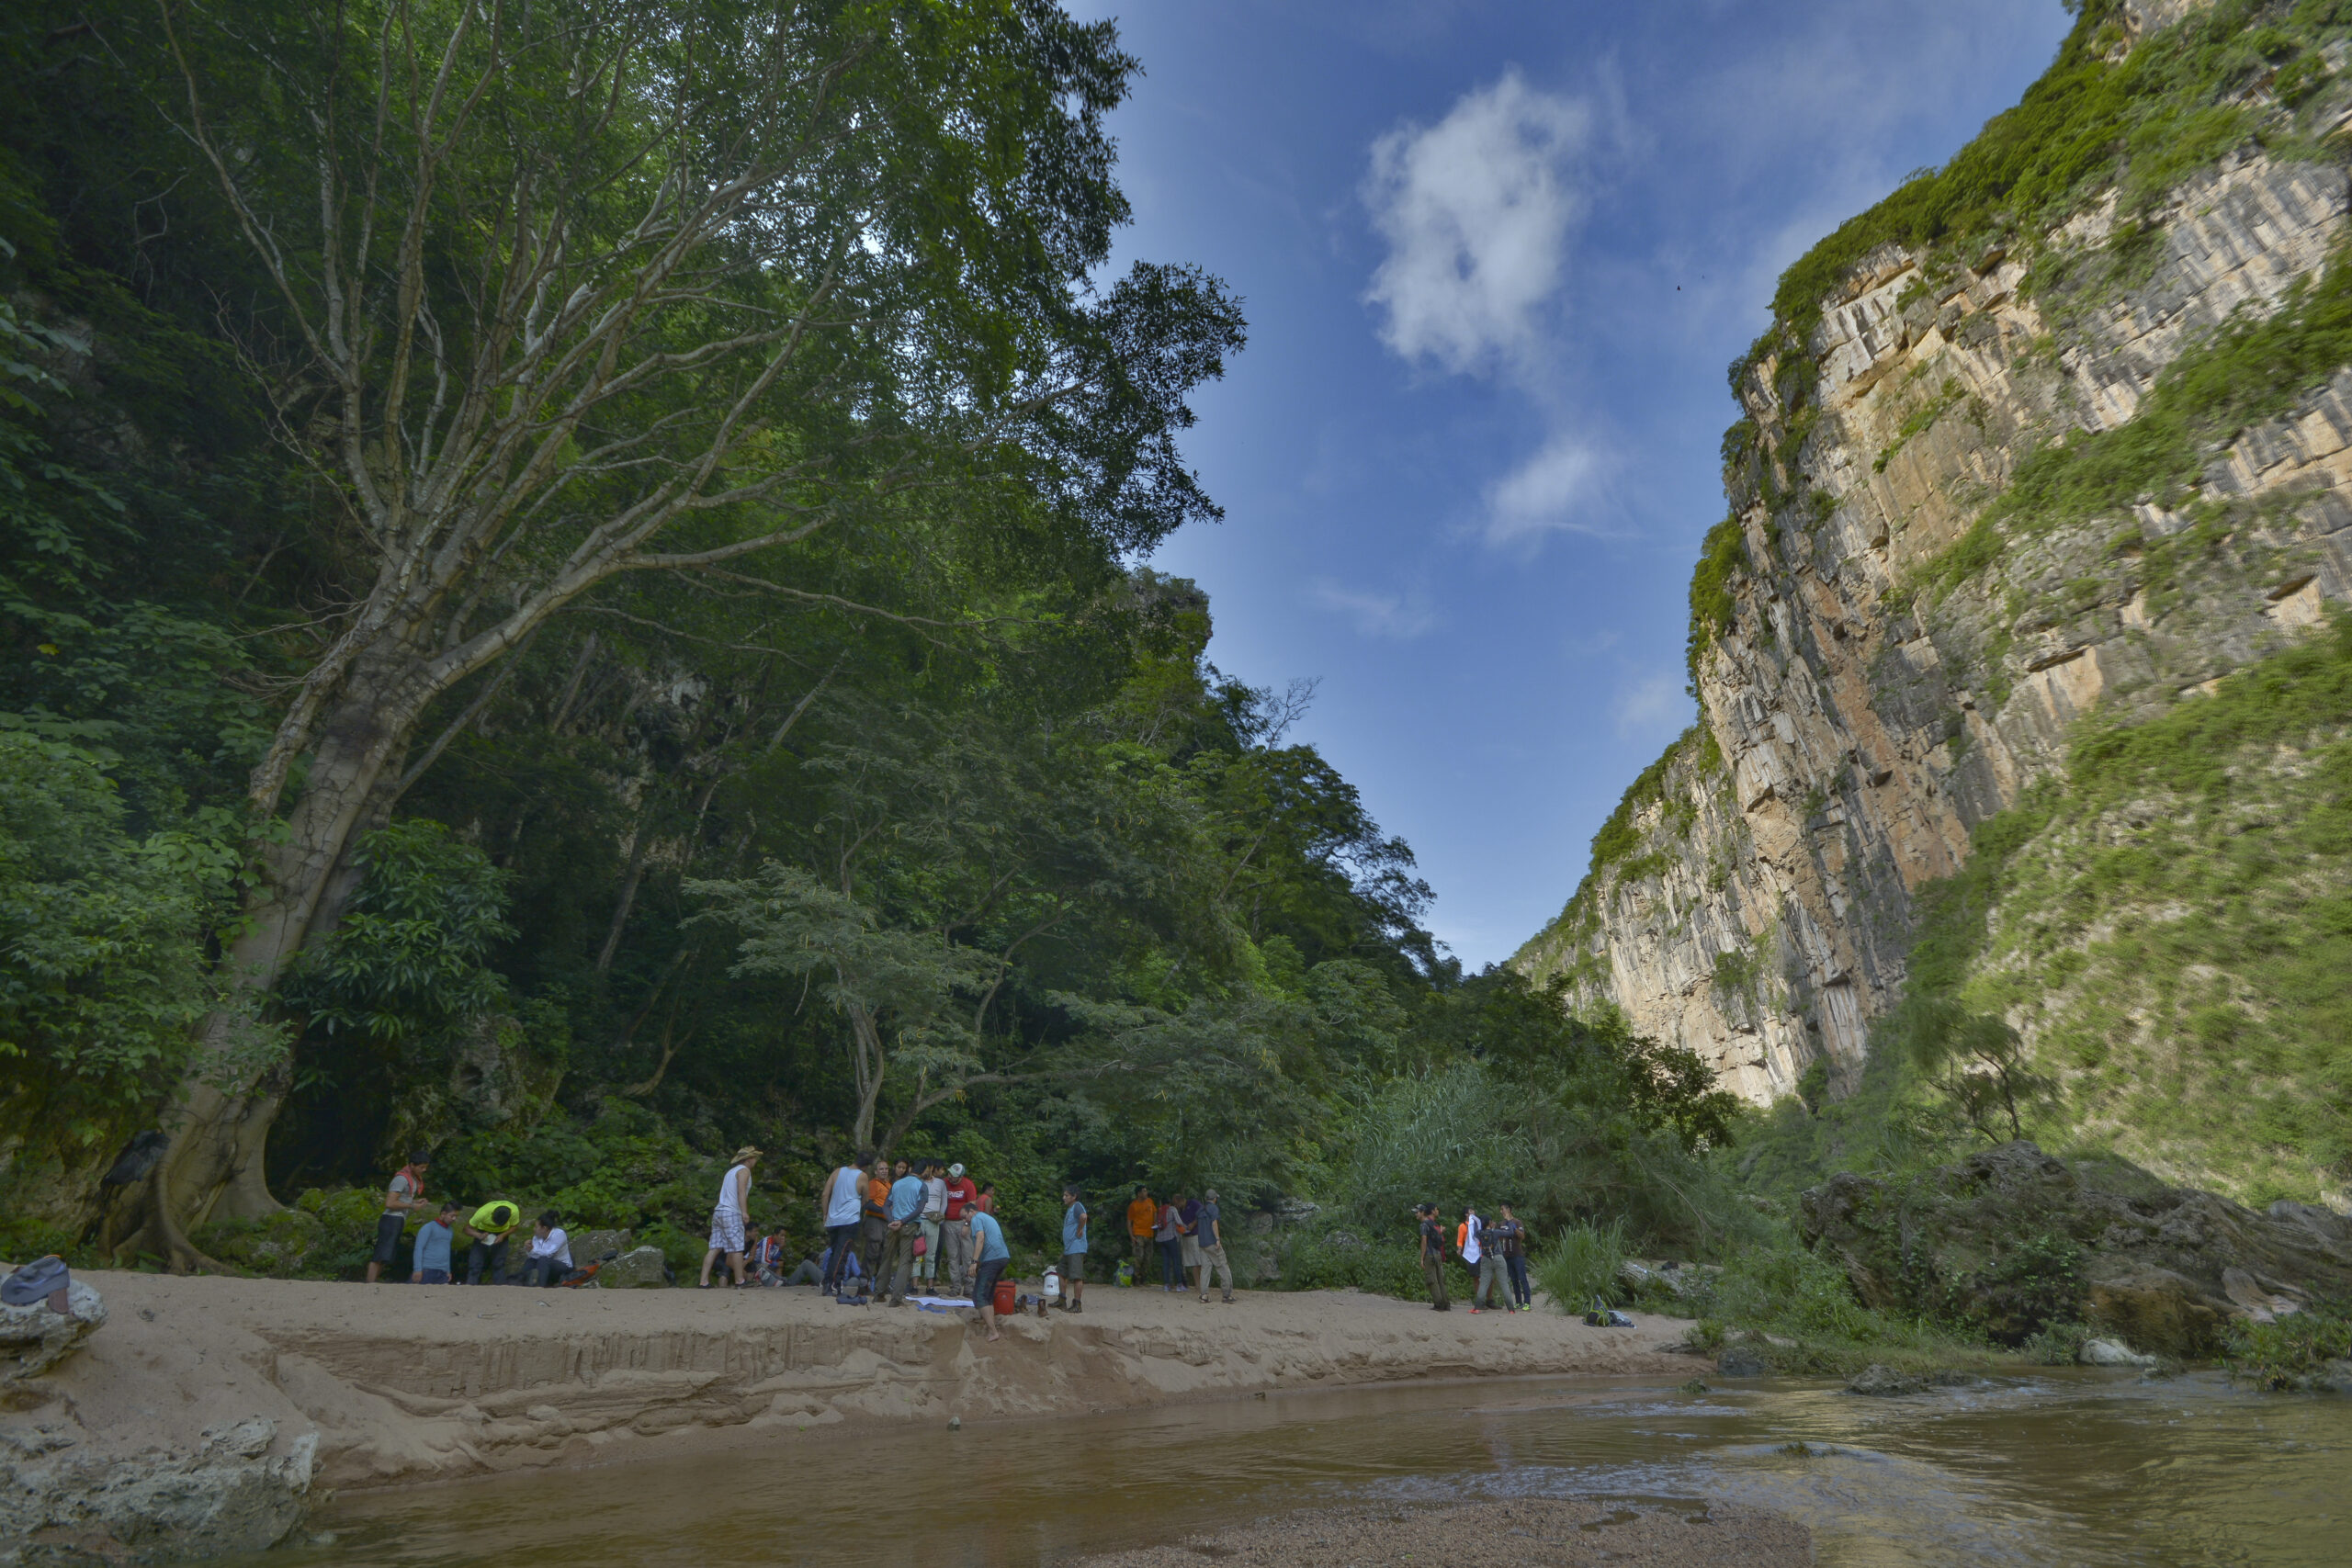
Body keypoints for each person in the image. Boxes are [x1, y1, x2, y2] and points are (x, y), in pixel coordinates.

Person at [700, 1145, 761, 1288]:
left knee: (714, 1247)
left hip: (719, 1211)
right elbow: (741, 1191)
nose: (756, 1161)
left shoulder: (730, 1172)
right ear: (749, 1159)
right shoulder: (744, 1171)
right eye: (755, 1158)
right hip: (732, 1212)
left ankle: (703, 1281)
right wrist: (744, 1212)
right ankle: (740, 1280)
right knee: (737, 1247)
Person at [367, 1150, 431, 1284]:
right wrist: (412, 1206)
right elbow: (390, 1203)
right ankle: (370, 1283)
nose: (424, 1170)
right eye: (421, 1167)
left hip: (399, 1218)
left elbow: (403, 1200)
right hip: (391, 1219)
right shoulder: (401, 1179)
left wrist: (414, 1202)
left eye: (426, 1167)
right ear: (412, 1165)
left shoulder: (412, 1178)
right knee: (380, 1254)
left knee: (386, 1255)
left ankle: (373, 1282)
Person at [875, 1157, 927, 1305]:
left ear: (911, 1170)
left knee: (887, 1259)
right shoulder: (922, 1186)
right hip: (909, 1226)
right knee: (905, 1262)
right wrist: (903, 1221)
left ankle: (879, 1293)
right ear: (923, 1172)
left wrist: (892, 1220)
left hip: (892, 1226)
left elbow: (886, 1206)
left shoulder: (897, 1183)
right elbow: (920, 1209)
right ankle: (896, 1298)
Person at [820, 1150, 871, 1294]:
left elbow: (825, 1194)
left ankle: (827, 1281)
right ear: (866, 1166)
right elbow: (866, 1198)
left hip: (833, 1219)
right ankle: (834, 1284)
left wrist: (825, 1214)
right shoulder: (862, 1176)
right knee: (842, 1253)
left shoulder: (837, 1172)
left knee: (834, 1250)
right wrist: (857, 1208)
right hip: (849, 1220)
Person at [967, 1202, 1012, 1343]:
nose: (965, 1221)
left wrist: (974, 1262)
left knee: (979, 1295)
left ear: (971, 1211)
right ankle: (989, 1326)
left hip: (993, 1259)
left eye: (965, 1216)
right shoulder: (988, 1217)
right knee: (988, 1295)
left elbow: (980, 1237)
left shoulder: (976, 1218)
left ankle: (993, 1331)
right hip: (1002, 1257)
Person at [464, 1198, 523, 1285]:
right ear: (492, 1215)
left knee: (499, 1263)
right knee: (475, 1262)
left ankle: (499, 1288)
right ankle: (471, 1285)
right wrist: (479, 1235)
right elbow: (466, 1229)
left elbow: (514, 1226)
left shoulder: (514, 1211)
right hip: (482, 1232)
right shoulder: (482, 1212)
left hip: (502, 1233)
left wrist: (503, 1235)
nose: (496, 1225)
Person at [940, 1162, 978, 1296]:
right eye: (949, 1173)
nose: (950, 1177)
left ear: (960, 1176)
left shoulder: (968, 1185)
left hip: (963, 1222)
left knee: (967, 1256)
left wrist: (967, 1225)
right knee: (952, 1256)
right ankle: (955, 1286)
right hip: (948, 1222)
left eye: (954, 1176)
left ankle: (970, 1286)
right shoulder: (944, 1183)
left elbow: (972, 1208)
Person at [1195, 1189, 1237, 1304]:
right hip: (1212, 1243)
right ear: (1214, 1198)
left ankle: (1204, 1295)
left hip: (1202, 1244)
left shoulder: (1200, 1210)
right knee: (1222, 1266)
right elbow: (1214, 1223)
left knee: (1205, 1269)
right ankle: (1226, 1295)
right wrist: (1217, 1239)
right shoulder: (1214, 1208)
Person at [914, 1159, 948, 1292]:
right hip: (919, 1219)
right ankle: (914, 1285)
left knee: (931, 1254)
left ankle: (930, 1285)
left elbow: (944, 1202)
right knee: (917, 1253)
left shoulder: (940, 1183)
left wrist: (940, 1216)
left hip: (934, 1221)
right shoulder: (918, 1182)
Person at [1472, 1207, 1513, 1314]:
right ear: (1490, 1222)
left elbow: (1475, 1231)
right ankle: (1511, 1309)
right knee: (1503, 1283)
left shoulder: (1478, 1233)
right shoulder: (1496, 1232)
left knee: (1484, 1283)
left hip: (1485, 1259)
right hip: (1498, 1258)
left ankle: (1477, 1307)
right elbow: (1510, 1233)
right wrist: (1509, 1221)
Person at [1492, 1203, 1532, 1312]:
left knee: (1522, 1279)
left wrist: (1514, 1229)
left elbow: (1522, 1236)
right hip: (1507, 1256)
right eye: (1500, 1210)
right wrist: (1494, 1229)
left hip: (1518, 1255)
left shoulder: (1517, 1222)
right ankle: (1518, 1302)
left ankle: (1527, 1302)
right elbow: (1498, 1238)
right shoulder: (1501, 1223)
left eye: (1502, 1209)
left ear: (1508, 1210)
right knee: (1514, 1280)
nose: (1501, 1211)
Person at [861, 1159, 892, 1288]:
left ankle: (880, 1286)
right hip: (874, 1220)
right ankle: (864, 1285)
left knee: (884, 1254)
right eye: (881, 1169)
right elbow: (867, 1203)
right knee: (872, 1252)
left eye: (886, 1169)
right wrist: (883, 1210)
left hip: (886, 1221)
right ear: (875, 1171)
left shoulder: (889, 1185)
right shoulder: (873, 1184)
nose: (884, 1171)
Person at [1058, 1185, 1088, 1314]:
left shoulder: (1077, 1206)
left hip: (1076, 1247)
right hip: (1069, 1248)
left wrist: (1080, 1229)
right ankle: (1061, 1300)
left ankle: (1077, 1304)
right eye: (1064, 1195)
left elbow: (1084, 1217)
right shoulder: (1070, 1209)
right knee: (1060, 1271)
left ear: (1074, 1196)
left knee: (1076, 1276)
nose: (1063, 1197)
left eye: (1066, 1195)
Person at [411, 1201, 458, 1284]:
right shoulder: (428, 1227)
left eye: (455, 1216)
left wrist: (448, 1270)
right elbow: (418, 1248)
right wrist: (417, 1269)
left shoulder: (450, 1230)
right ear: (443, 1214)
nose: (454, 1219)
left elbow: (447, 1250)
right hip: (427, 1269)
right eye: (452, 1216)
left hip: (443, 1272)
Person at [523, 1210, 572, 1287]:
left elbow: (549, 1254)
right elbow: (534, 1255)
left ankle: (540, 1286)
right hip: (544, 1266)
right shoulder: (536, 1237)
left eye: (536, 1227)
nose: (534, 1229)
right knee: (530, 1261)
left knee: (543, 1260)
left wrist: (532, 1249)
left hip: (562, 1267)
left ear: (544, 1228)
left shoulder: (559, 1234)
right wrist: (528, 1249)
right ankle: (521, 1282)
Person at [1417, 1203, 1451, 1311]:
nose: (1416, 1215)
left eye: (1417, 1212)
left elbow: (1424, 1241)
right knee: (1441, 1280)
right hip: (1438, 1254)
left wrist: (1422, 1258)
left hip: (1430, 1255)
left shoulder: (1424, 1225)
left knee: (1432, 1280)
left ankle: (1438, 1304)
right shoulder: (1434, 1224)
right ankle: (1446, 1303)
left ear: (1423, 1212)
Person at [1125, 1185, 1157, 1284]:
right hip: (1138, 1234)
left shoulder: (1150, 1201)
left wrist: (1155, 1223)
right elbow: (1129, 1222)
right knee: (1138, 1257)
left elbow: (1155, 1212)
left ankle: (1144, 1278)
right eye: (1144, 1191)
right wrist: (1132, 1236)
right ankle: (1136, 1278)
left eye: (1146, 1191)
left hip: (1150, 1234)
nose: (1146, 1193)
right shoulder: (1133, 1205)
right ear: (1138, 1193)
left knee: (1148, 1258)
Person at [1155, 1192, 1185, 1291]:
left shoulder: (1159, 1210)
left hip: (1161, 1239)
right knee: (1176, 1261)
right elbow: (1179, 1222)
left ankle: (1166, 1285)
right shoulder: (1172, 1209)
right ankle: (1179, 1285)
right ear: (1169, 1202)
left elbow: (1156, 1224)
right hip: (1171, 1238)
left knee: (1166, 1262)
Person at [1178, 1190, 1204, 1292]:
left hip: (1195, 1235)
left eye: (1177, 1203)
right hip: (1186, 1236)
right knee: (1193, 1262)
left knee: (1198, 1261)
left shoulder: (1193, 1203)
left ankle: (1202, 1284)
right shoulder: (1180, 1210)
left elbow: (1202, 1213)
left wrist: (1194, 1223)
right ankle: (1197, 1284)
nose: (1177, 1206)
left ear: (1181, 1200)